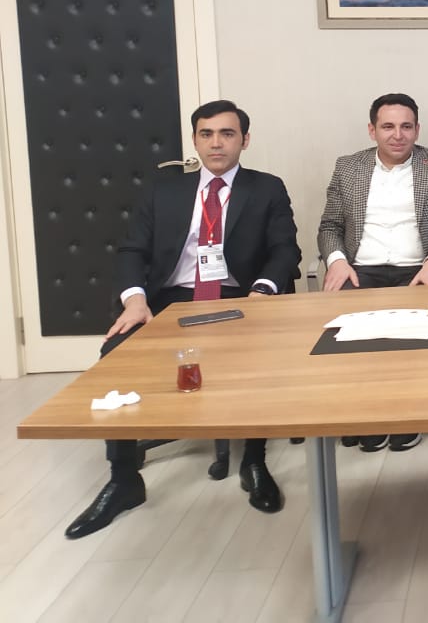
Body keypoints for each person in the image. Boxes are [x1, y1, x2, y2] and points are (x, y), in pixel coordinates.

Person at [65, 100, 302, 539]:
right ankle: (123, 480)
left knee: (259, 357)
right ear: (194, 140)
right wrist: (135, 300)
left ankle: (254, 462)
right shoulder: (164, 191)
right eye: (206, 134)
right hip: (171, 300)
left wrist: (263, 291)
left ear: (245, 140)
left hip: (238, 296)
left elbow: (285, 249)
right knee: (116, 354)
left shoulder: (266, 188)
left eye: (227, 134)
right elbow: (132, 250)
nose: (217, 143)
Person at [317, 92, 428, 452]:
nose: (397, 135)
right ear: (372, 130)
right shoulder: (348, 167)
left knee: (413, 338)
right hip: (359, 269)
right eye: (388, 127)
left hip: (416, 268)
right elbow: (330, 226)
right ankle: (366, 414)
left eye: (406, 126)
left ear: (417, 129)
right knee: (351, 338)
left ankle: (407, 414)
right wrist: (336, 260)